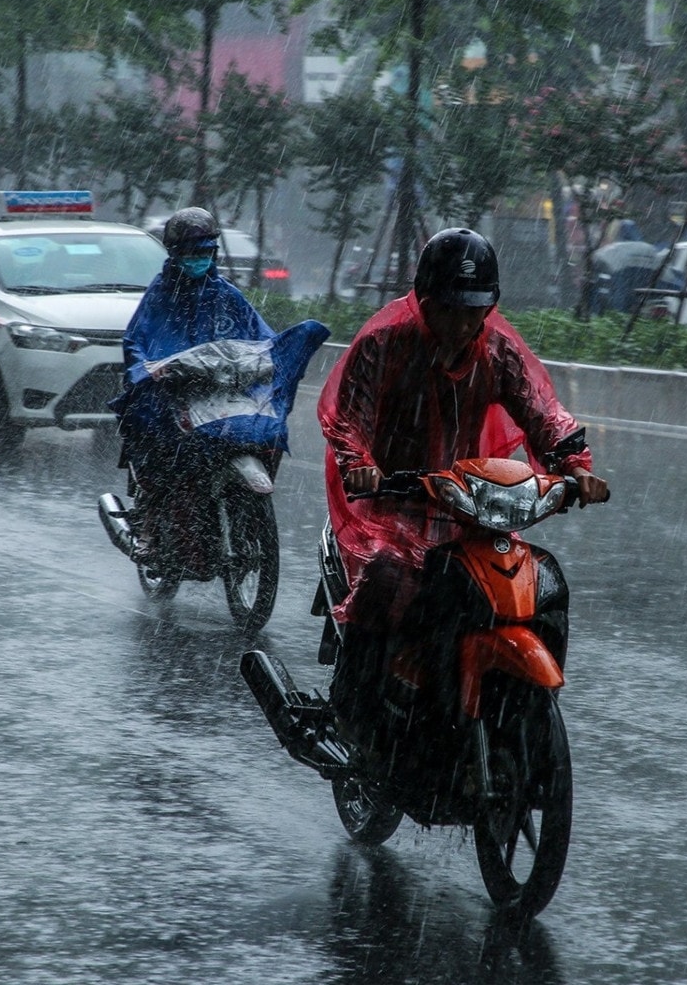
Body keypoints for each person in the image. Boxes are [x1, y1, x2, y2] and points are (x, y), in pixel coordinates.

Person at [317, 228, 610, 720]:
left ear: (489, 305)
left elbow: (542, 413)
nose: (461, 324)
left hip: (465, 501)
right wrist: (362, 467)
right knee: (387, 578)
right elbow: (349, 419)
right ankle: (350, 708)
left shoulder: (497, 349)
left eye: (474, 310)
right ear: (425, 300)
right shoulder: (384, 344)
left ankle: (526, 709)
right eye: (449, 309)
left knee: (540, 585)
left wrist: (574, 467)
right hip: (392, 505)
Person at [111, 207, 276, 557]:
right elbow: (134, 341)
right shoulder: (159, 295)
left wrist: (279, 356)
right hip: (169, 394)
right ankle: (152, 527)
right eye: (191, 252)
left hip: (221, 392)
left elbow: (262, 335)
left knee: (268, 434)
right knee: (160, 449)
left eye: (206, 251)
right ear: (175, 253)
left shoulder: (226, 294)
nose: (200, 258)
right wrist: (146, 371)